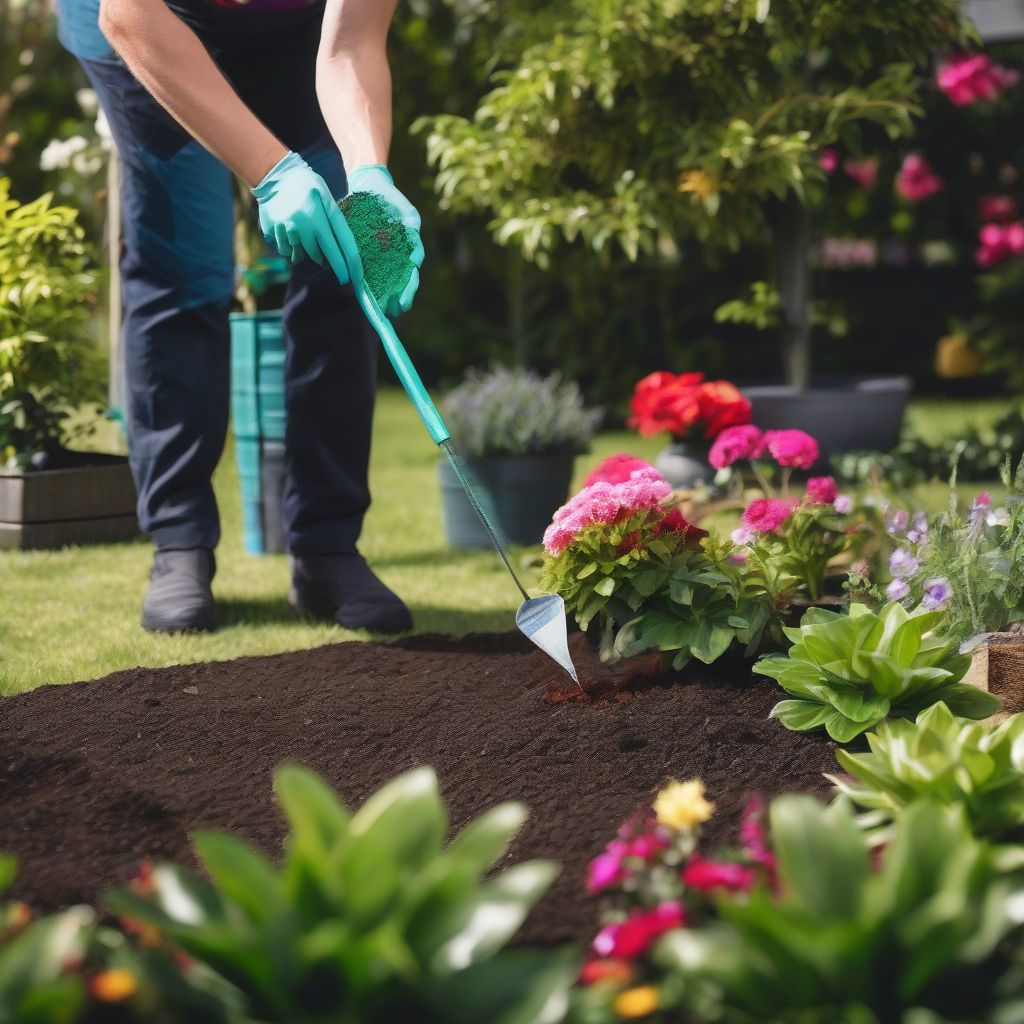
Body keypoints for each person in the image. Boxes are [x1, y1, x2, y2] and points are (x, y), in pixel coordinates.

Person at [55, 0, 423, 634]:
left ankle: (327, 550)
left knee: (344, 259)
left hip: (295, 38)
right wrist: (274, 173)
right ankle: (180, 544)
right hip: (149, 24)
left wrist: (369, 175)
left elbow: (352, 43)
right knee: (184, 267)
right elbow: (128, 13)